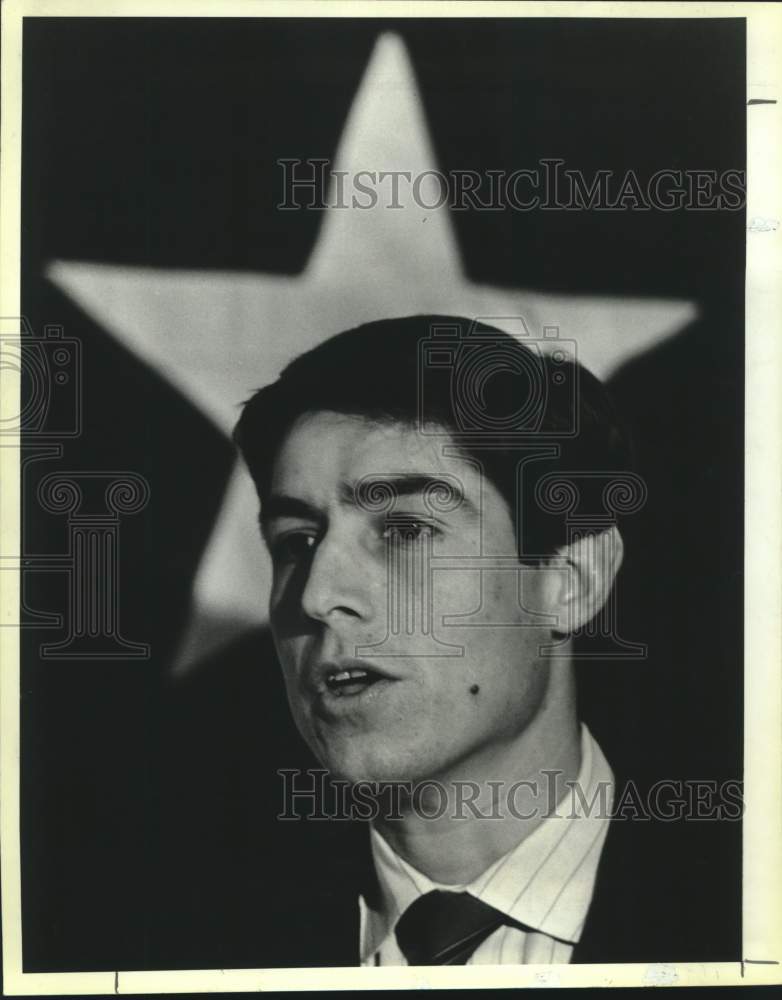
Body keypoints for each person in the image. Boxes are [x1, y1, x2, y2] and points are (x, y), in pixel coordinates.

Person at [230, 314, 640, 966]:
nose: (316, 595)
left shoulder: (742, 903)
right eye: (296, 543)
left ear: (571, 580)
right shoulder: (184, 925)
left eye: (405, 531)